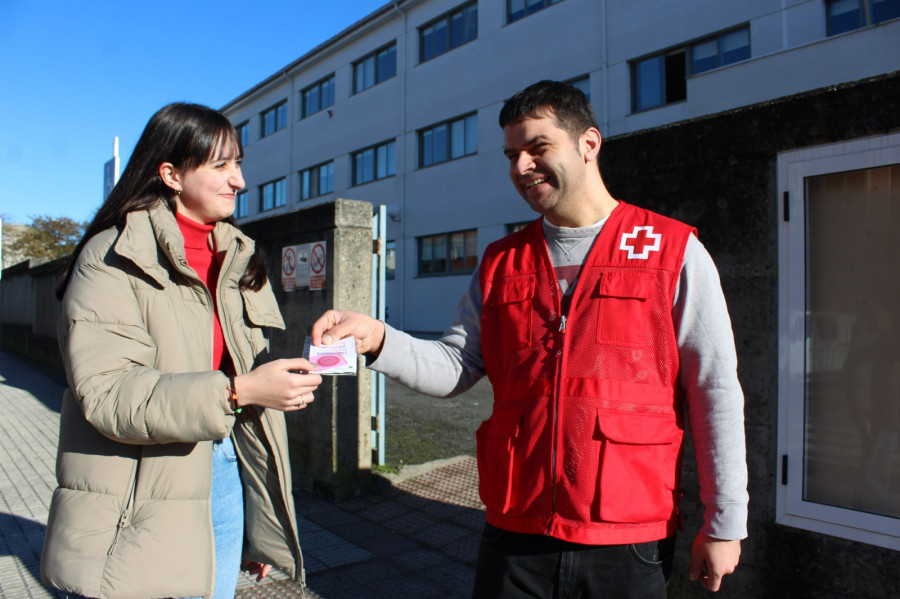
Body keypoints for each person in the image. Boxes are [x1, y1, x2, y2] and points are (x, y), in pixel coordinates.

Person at [312, 80, 748, 597]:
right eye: (512, 154)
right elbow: (455, 366)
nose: (521, 167)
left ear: (589, 144)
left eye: (538, 148)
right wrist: (378, 337)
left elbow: (714, 391)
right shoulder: (501, 261)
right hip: (515, 529)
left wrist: (726, 523)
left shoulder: (670, 250)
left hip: (627, 535)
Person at [41, 103, 323, 599]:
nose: (238, 180)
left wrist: (254, 524)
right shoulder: (111, 258)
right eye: (221, 165)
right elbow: (109, 395)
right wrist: (240, 391)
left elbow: (242, 394)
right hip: (140, 488)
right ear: (170, 173)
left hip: (224, 471)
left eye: (238, 163)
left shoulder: (238, 256)